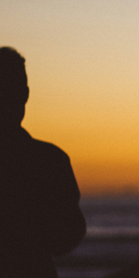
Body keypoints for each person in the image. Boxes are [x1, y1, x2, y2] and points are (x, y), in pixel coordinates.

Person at [0, 46, 87, 277]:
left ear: (25, 94)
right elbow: (67, 237)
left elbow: (69, 233)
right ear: (26, 94)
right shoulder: (49, 160)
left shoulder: (51, 161)